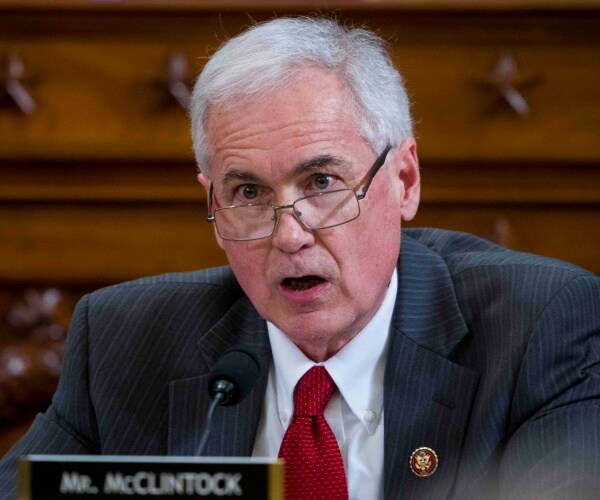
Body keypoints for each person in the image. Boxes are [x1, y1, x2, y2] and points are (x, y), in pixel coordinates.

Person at [1, 17, 599, 499]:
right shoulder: (124, 342)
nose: (288, 236)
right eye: (249, 193)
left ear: (405, 180)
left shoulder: (538, 329)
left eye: (320, 181)